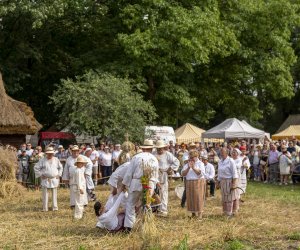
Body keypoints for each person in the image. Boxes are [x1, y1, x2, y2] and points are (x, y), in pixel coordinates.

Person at [122, 139, 159, 232]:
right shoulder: (154, 159)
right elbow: (155, 175)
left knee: (130, 204)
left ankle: (129, 227)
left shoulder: (136, 157)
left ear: (143, 148)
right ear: (151, 148)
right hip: (149, 183)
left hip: (136, 183)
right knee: (147, 204)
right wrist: (153, 185)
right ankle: (146, 226)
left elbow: (129, 173)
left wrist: (125, 184)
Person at [155, 140, 180, 217]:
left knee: (163, 192)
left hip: (163, 174)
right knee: (154, 192)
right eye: (158, 148)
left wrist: (171, 168)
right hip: (154, 175)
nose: (159, 150)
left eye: (161, 148)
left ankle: (163, 209)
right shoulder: (153, 154)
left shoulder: (167, 154)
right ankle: (156, 208)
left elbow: (176, 161)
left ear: (163, 148)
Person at [34, 147, 63, 212]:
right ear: (46, 154)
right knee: (45, 194)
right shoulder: (42, 160)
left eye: (51, 153)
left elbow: (61, 167)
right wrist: (41, 174)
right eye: (48, 153)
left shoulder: (56, 160)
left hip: (54, 178)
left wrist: (59, 174)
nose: (50, 155)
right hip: (45, 179)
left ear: (53, 154)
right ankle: (45, 208)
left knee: (54, 194)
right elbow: (36, 167)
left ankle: (55, 207)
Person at [181, 150, 206, 218]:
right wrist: (189, 167)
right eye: (190, 157)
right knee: (191, 198)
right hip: (189, 182)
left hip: (198, 182)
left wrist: (193, 167)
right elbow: (183, 173)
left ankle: (200, 214)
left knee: (198, 198)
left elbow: (200, 174)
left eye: (192, 157)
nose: (191, 159)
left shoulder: (200, 163)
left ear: (196, 157)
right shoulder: (187, 164)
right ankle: (193, 214)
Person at [216, 148, 239, 217]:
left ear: (227, 153)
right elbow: (219, 173)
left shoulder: (230, 161)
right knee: (224, 197)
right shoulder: (220, 161)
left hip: (229, 181)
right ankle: (225, 212)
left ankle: (230, 213)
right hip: (223, 181)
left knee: (230, 197)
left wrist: (234, 183)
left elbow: (234, 173)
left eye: (223, 152)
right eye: (221, 152)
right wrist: (218, 182)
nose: (221, 154)